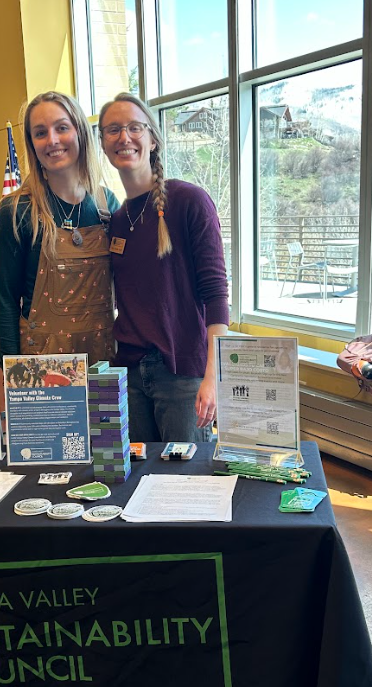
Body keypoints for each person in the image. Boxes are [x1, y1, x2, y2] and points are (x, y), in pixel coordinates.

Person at [98, 93, 229, 443]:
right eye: (113, 130)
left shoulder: (188, 201)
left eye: (134, 127)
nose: (124, 137)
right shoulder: (118, 220)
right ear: (103, 144)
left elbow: (216, 294)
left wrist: (213, 378)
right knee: (142, 481)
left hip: (183, 374)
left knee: (188, 485)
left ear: (152, 139)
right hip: (130, 374)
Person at [0, 91, 120, 360]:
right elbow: (5, 301)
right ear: (32, 144)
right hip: (42, 364)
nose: (52, 140)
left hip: (104, 360)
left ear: (80, 132)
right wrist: (13, 370)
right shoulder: (16, 211)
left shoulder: (106, 204)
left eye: (62, 128)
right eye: (40, 133)